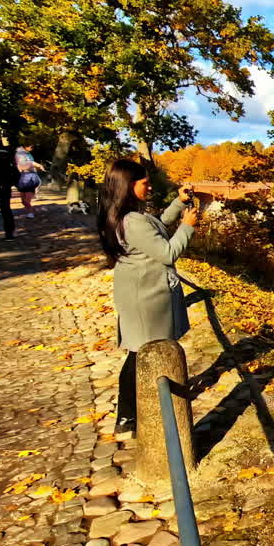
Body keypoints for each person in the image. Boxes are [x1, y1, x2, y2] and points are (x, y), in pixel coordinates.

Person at [97, 159, 201, 434]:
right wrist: (188, 226)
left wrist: (178, 204)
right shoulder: (132, 221)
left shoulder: (128, 216)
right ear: (129, 187)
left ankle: (131, 412)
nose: (149, 186)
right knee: (141, 353)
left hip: (139, 291)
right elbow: (167, 252)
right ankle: (129, 415)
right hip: (147, 297)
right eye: (144, 183)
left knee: (139, 352)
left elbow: (158, 229)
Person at [14, 144, 47, 218]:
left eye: (33, 146)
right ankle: (33, 211)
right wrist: (38, 165)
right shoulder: (20, 154)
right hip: (24, 178)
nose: (32, 148)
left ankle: (31, 213)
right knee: (23, 201)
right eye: (31, 147)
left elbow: (30, 164)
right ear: (25, 146)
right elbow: (24, 165)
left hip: (30, 178)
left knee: (26, 200)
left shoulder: (27, 154)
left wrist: (38, 166)